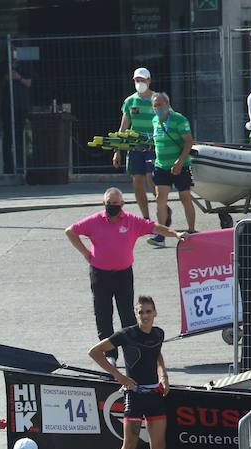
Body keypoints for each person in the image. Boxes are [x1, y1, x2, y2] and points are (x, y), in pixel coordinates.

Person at [88, 296, 190, 449]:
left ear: (155, 313)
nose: (145, 316)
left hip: (154, 396)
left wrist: (164, 375)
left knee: (158, 448)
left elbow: (157, 354)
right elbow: (95, 352)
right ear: (136, 315)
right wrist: (119, 376)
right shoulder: (127, 334)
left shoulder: (158, 333)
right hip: (134, 396)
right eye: (140, 312)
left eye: (148, 311)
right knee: (129, 446)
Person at [66, 188, 180, 344]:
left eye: (116, 203)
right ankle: (109, 352)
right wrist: (85, 253)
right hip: (100, 273)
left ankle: (131, 347)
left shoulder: (131, 221)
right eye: (109, 203)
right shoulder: (94, 221)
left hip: (123, 273)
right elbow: (71, 231)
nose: (112, 206)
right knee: (103, 312)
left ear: (122, 204)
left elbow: (154, 227)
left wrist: (175, 234)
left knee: (127, 313)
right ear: (104, 203)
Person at [113, 67, 160, 244]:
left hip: (153, 146)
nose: (139, 83)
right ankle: (146, 219)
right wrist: (117, 150)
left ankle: (161, 209)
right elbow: (123, 127)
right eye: (136, 80)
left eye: (142, 80)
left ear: (149, 81)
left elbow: (165, 120)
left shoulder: (157, 99)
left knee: (151, 178)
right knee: (137, 182)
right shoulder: (130, 101)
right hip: (134, 147)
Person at [149, 92, 197, 246]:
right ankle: (161, 236)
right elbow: (157, 142)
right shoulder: (155, 120)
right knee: (160, 200)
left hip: (180, 166)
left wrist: (179, 161)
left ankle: (191, 230)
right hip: (161, 166)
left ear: (167, 104)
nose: (158, 108)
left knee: (185, 197)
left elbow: (189, 142)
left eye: (160, 104)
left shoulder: (179, 119)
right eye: (155, 105)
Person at [0, 47, 32, 175]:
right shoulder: (3, 65)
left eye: (15, 51)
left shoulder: (25, 65)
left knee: (19, 135)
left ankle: (21, 166)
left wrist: (18, 78)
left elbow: (29, 82)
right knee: (8, 136)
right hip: (7, 105)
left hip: (21, 105)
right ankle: (9, 167)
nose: (14, 54)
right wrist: (7, 77)